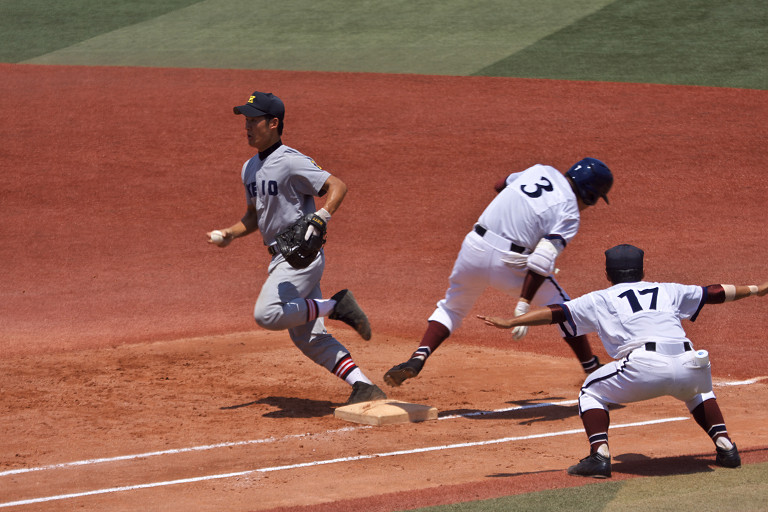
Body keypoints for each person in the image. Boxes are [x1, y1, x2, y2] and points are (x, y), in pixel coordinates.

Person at [479, 243, 768, 477]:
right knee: (699, 388)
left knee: (590, 390)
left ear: (608, 274)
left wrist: (513, 321)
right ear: (642, 271)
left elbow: (557, 312)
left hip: (643, 367)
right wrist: (758, 290)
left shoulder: (601, 297)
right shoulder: (667, 289)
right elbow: (714, 292)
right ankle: (726, 447)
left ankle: (599, 456)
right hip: (690, 359)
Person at [207, 90, 386, 405]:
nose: (246, 127)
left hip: (301, 257)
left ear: (273, 123)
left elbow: (336, 186)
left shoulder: (290, 161)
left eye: (253, 121)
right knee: (308, 337)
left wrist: (320, 218)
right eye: (245, 121)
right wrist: (230, 233)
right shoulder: (248, 168)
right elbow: (253, 216)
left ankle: (336, 306)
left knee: (268, 314)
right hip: (282, 259)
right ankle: (364, 386)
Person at [384, 158, 614, 387]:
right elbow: (542, 260)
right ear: (590, 195)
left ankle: (418, 357)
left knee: (451, 308)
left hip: (474, 248)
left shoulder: (540, 170)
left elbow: (500, 185)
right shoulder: (570, 212)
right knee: (565, 307)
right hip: (510, 264)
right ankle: (591, 368)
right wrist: (524, 304)